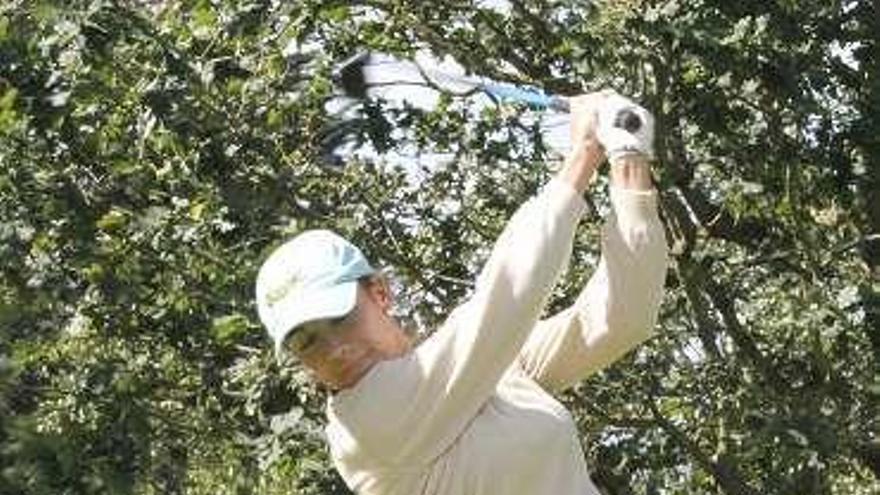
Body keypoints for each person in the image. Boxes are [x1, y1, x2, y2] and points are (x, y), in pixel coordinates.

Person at [255, 90, 668, 494]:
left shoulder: (484, 371)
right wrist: (583, 153)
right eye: (307, 342)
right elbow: (508, 295)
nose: (334, 349)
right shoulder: (364, 425)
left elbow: (621, 318)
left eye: (340, 318)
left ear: (379, 293)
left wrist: (627, 156)